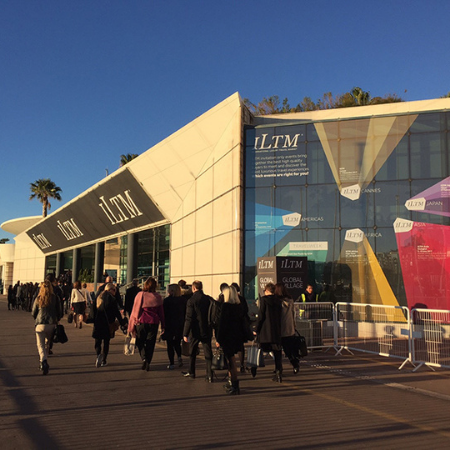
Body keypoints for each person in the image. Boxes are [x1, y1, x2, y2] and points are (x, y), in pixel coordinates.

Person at [212, 284, 245, 395]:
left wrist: (218, 339)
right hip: (237, 336)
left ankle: (235, 384)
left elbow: (222, 325)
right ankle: (232, 383)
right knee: (232, 360)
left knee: (230, 361)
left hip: (228, 337)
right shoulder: (239, 306)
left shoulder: (226, 307)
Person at [128, 277, 165, 371]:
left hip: (142, 321)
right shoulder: (158, 296)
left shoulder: (140, 295)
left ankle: (144, 357)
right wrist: (163, 325)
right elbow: (161, 312)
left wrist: (132, 322)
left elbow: (135, 309)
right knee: (151, 342)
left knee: (140, 341)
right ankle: (148, 360)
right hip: (154, 322)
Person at [182, 280, 213, 381]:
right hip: (206, 329)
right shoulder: (208, 299)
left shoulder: (191, 300)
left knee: (193, 352)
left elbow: (189, 318)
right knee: (208, 352)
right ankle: (209, 374)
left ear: (194, 288)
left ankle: (192, 372)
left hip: (195, 330)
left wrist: (185, 333)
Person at [253, 282, 283, 382]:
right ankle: (279, 372)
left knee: (259, 349)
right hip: (276, 330)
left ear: (266, 291)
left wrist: (256, 329)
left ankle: (254, 367)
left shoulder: (264, 300)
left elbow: (261, 316)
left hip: (265, 330)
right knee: (277, 352)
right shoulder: (279, 300)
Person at [31, 280, 62, 375]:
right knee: (47, 343)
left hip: (40, 324)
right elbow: (59, 312)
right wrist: (57, 319)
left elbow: (33, 312)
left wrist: (36, 317)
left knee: (40, 345)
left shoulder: (38, 298)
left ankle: (43, 361)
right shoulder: (55, 298)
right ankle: (46, 355)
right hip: (51, 324)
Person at [92, 283, 126, 367]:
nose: (115, 292)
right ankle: (104, 360)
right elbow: (116, 313)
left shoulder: (98, 297)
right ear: (110, 290)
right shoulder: (112, 299)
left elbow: (93, 310)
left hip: (98, 322)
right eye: (114, 290)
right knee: (106, 342)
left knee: (98, 341)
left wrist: (91, 319)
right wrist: (122, 322)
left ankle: (98, 354)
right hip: (108, 323)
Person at [276, 282, 300, 374]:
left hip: (280, 328)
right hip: (289, 328)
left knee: (278, 350)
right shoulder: (290, 300)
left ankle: (278, 368)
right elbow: (293, 313)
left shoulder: (277, 302)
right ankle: (295, 364)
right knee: (289, 349)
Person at [162, 284, 187, 369]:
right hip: (180, 324)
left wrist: (162, 326)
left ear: (171, 291)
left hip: (169, 324)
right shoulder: (183, 300)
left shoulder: (167, 301)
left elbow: (164, 314)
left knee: (170, 345)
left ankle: (172, 363)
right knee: (177, 343)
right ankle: (179, 356)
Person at [231, 282, 251, 373]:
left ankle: (232, 366)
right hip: (241, 325)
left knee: (230, 346)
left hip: (232, 325)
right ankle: (242, 364)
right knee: (241, 346)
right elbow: (246, 310)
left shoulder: (229, 300)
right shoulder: (242, 299)